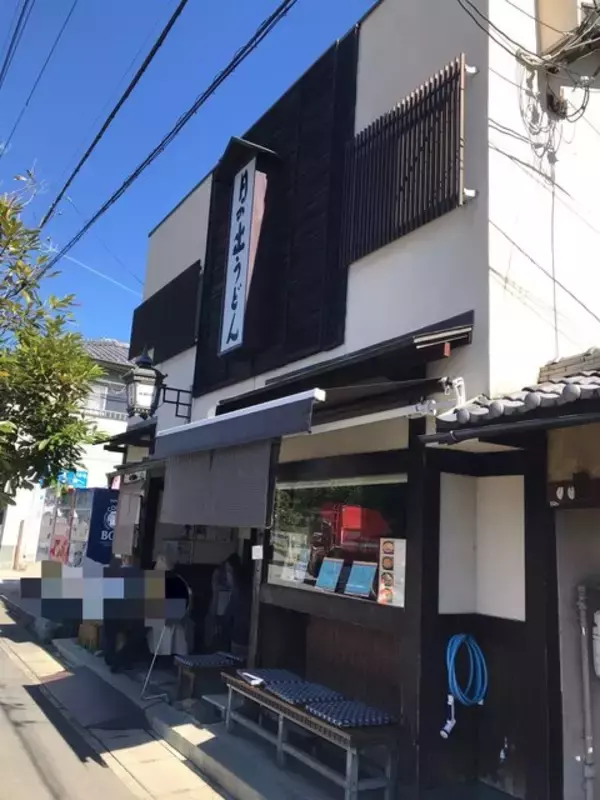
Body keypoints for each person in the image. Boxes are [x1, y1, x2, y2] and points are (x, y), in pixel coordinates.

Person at [222, 553, 252, 658]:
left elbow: (228, 617)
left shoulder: (241, 592)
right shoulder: (238, 591)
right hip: (239, 638)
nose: (227, 575)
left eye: (229, 571)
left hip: (241, 641)